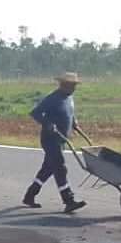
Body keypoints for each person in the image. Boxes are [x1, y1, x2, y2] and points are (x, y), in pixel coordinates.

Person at [22, 72, 86, 213]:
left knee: (48, 169)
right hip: (50, 139)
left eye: (74, 85)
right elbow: (35, 113)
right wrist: (48, 123)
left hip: (61, 139)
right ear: (63, 85)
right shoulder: (52, 98)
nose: (74, 88)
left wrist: (74, 122)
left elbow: (69, 112)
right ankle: (68, 200)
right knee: (60, 167)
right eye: (71, 85)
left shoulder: (69, 97)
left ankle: (30, 195)